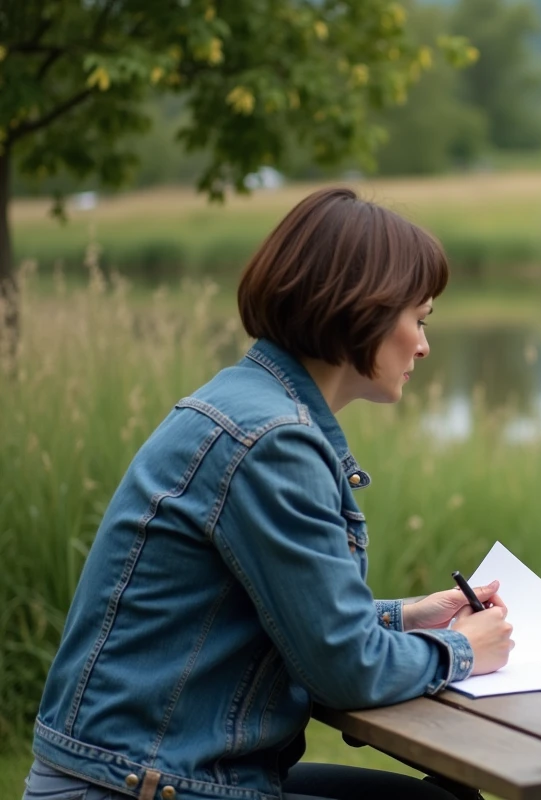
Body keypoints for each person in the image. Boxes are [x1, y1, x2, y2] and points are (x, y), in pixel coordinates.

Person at [24, 187, 514, 800]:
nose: (423, 345)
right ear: (360, 308)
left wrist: (406, 617)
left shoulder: (245, 401)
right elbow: (346, 670)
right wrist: (459, 651)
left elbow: (289, 622)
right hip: (139, 784)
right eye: (418, 318)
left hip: (142, 768)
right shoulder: (273, 441)